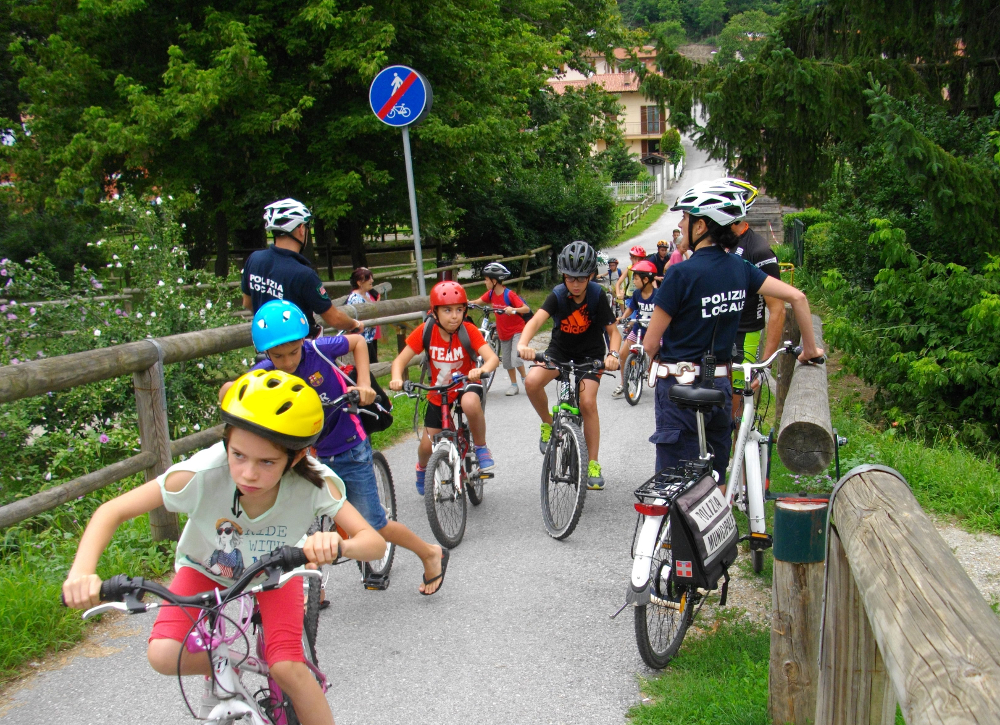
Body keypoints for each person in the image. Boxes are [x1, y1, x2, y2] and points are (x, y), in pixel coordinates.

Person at [62, 370, 387, 725]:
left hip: (276, 570)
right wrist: (82, 571)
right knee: (162, 654)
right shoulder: (201, 474)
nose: (248, 473)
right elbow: (112, 510)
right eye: (238, 455)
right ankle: (236, 657)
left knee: (288, 669)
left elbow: (374, 543)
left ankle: (275, 670)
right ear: (225, 444)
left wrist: (338, 544)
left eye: (267, 462)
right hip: (204, 567)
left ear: (295, 459)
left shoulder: (315, 483)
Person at [235, 300, 449, 595]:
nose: (286, 362)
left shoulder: (319, 349)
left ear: (303, 341)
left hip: (348, 447)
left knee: (375, 524)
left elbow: (359, 341)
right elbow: (236, 392)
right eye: (277, 355)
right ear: (265, 353)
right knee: (293, 522)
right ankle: (312, 587)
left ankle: (429, 553)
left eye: (293, 351)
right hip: (303, 456)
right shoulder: (264, 372)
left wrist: (363, 384)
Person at [642, 182, 823, 485]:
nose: (679, 224)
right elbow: (798, 298)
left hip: (679, 389)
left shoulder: (680, 273)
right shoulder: (741, 267)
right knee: (715, 476)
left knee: (674, 484)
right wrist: (810, 350)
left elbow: (649, 343)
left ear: (700, 225)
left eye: (684, 219)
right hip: (722, 387)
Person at [517, 241, 621, 490]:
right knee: (531, 382)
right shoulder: (557, 295)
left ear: (591, 276)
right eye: (570, 277)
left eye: (581, 278)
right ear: (563, 275)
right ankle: (547, 423)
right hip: (560, 351)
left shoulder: (597, 296)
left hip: (590, 355)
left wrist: (614, 354)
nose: (575, 283)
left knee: (587, 403)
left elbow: (613, 332)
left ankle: (593, 463)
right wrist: (523, 343)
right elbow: (536, 321)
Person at [389, 281, 500, 491]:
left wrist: (480, 369)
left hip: (466, 384)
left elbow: (492, 359)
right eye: (447, 310)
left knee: (470, 403)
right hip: (439, 392)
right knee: (425, 446)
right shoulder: (426, 331)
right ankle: (423, 468)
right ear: (435, 312)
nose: (454, 316)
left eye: (459, 310)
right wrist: (396, 378)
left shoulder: (468, 330)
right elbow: (399, 361)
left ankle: (481, 446)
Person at [242, 198, 363, 338]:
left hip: (267, 345)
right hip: (299, 350)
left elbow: (247, 303)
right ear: (300, 229)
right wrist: (354, 324)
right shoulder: (304, 274)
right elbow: (334, 318)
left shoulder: (254, 259)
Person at [478, 262, 529, 396]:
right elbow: (479, 301)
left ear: (494, 281)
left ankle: (525, 379)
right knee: (506, 361)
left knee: (515, 357)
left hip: (517, 330)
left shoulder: (509, 294)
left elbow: (526, 309)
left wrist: (513, 309)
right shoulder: (491, 294)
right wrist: (467, 303)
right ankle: (513, 385)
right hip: (503, 333)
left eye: (486, 279)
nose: (485, 282)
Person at [611, 259, 658, 398]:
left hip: (654, 331)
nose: (634, 282)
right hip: (639, 328)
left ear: (646, 280)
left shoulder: (658, 294)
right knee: (623, 352)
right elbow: (631, 307)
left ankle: (657, 377)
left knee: (659, 354)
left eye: (636, 279)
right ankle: (623, 382)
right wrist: (624, 317)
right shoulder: (637, 294)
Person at [346, 267, 382, 363]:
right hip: (362, 340)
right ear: (359, 283)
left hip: (368, 340)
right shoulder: (356, 299)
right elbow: (371, 321)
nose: (372, 280)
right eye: (368, 278)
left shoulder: (366, 295)